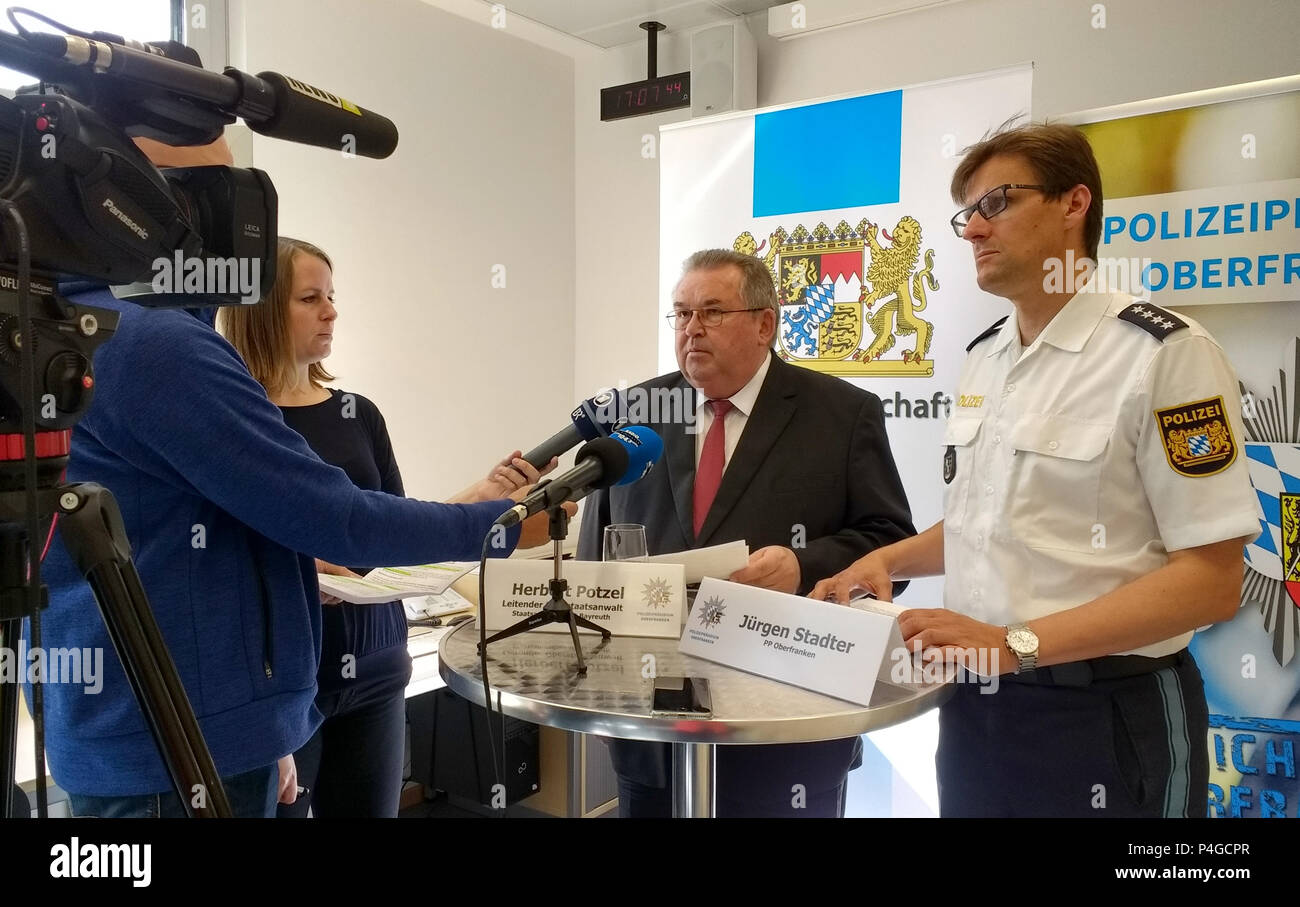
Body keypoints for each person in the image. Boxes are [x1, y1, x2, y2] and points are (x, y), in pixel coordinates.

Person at [27, 136, 559, 818]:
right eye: (219, 191)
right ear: (138, 203)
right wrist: (502, 525)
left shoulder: (66, 327)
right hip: (174, 754)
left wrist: (262, 720)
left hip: (175, 731)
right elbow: (339, 520)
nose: (241, 222)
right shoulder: (155, 344)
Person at [812, 123, 1260, 818]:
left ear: (1074, 203)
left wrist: (1013, 643)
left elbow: (1211, 580)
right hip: (978, 712)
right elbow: (987, 520)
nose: (973, 231)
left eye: (998, 203)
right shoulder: (988, 356)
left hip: (1109, 713)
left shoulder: (1164, 354)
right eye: (967, 213)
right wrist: (887, 560)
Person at [577, 248, 914, 817]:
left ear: (766, 324)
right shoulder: (635, 411)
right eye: (681, 314)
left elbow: (889, 543)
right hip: (652, 726)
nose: (692, 330)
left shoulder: (841, 413)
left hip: (789, 726)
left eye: (712, 312)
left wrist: (804, 565)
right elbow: (595, 558)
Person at [217, 237, 548, 817]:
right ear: (264, 311)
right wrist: (297, 567)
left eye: (332, 296)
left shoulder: (356, 413)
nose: (331, 311)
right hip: (286, 680)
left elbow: (391, 527)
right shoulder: (238, 423)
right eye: (310, 298)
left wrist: (486, 494)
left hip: (376, 662)